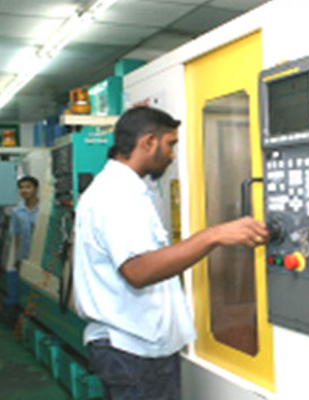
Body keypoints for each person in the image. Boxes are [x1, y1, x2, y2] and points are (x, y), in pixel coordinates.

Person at [73, 106, 268, 400]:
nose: (172, 155)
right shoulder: (117, 195)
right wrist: (214, 236)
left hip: (138, 346)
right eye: (170, 144)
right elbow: (138, 271)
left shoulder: (128, 190)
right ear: (148, 142)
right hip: (132, 351)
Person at [9, 176, 39, 266]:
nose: (24, 190)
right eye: (21, 188)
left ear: (36, 189)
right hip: (24, 257)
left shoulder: (44, 210)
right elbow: (17, 237)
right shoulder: (16, 212)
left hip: (41, 257)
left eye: (28, 187)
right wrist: (16, 257)